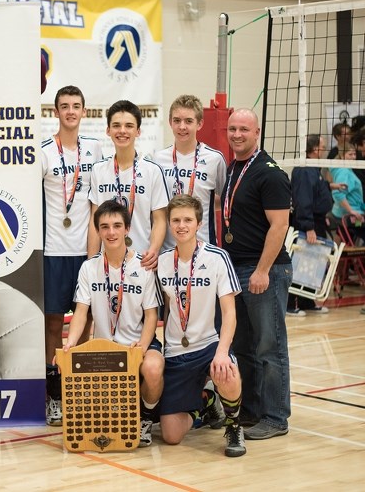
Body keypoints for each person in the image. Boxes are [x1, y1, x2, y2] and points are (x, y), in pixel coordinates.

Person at [62, 200, 164, 447]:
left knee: (152, 367)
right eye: (105, 226)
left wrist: (141, 346)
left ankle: (146, 418)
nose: (111, 232)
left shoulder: (144, 266)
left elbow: (152, 315)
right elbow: (81, 312)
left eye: (117, 225)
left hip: (137, 343)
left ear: (127, 229)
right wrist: (71, 344)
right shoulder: (89, 268)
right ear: (97, 231)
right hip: (103, 349)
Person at [221, 108, 292, 440]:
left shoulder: (270, 173)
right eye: (232, 128)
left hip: (265, 271)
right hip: (237, 270)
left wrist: (263, 270)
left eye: (244, 130)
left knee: (270, 346)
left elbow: (280, 226)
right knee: (243, 345)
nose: (237, 134)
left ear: (257, 132)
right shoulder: (234, 167)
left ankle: (276, 417)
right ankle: (250, 409)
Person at [158, 195, 246, 457]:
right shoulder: (161, 263)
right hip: (176, 352)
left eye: (187, 220)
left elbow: (230, 312)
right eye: (176, 220)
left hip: (209, 345)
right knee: (171, 436)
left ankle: (233, 425)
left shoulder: (217, 258)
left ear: (198, 223)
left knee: (227, 370)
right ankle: (207, 402)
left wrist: (222, 351)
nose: (181, 225)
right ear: (169, 224)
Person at [40, 85, 103, 426]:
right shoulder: (44, 151)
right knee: (53, 324)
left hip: (86, 253)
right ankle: (55, 394)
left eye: (76, 106)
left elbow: (97, 203)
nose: (70, 112)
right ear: (56, 112)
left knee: (87, 324)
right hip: (53, 252)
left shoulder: (95, 149)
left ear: (84, 111)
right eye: (64, 106)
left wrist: (94, 257)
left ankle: (79, 387)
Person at [88, 99, 169, 268]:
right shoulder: (98, 170)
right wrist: (91, 263)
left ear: (138, 131)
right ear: (108, 130)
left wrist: (153, 252)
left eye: (129, 126)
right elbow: (94, 221)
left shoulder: (152, 170)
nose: (122, 131)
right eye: (116, 125)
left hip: (142, 261)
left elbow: (160, 220)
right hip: (107, 263)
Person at [153, 94, 227, 247]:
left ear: (199, 124)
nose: (182, 127)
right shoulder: (158, 159)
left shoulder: (215, 159)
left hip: (204, 248)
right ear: (170, 123)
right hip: (167, 250)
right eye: (177, 121)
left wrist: (200, 203)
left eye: (188, 121)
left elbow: (225, 201)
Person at [287, 134, 336, 316]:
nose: (324, 148)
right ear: (315, 148)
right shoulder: (305, 168)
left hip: (317, 220)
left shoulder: (313, 168)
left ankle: (307, 302)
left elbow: (315, 194)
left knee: (313, 264)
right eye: (322, 145)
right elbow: (303, 199)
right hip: (308, 223)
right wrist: (308, 227)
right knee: (300, 263)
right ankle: (290, 304)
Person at [329, 138, 365, 244]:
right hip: (350, 216)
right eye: (350, 154)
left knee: (345, 235)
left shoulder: (345, 169)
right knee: (357, 229)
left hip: (352, 214)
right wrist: (351, 211)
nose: (353, 157)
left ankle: (338, 256)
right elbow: (338, 194)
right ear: (342, 156)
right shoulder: (344, 172)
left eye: (354, 154)